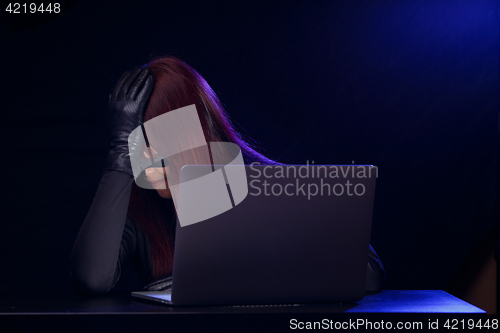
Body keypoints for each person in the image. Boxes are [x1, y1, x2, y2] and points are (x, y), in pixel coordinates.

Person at [69, 56, 385, 295]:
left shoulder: (266, 187)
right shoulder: (138, 210)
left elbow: (368, 274)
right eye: (135, 149)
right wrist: (119, 154)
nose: (146, 166)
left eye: (158, 147)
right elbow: (93, 276)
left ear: (191, 138)